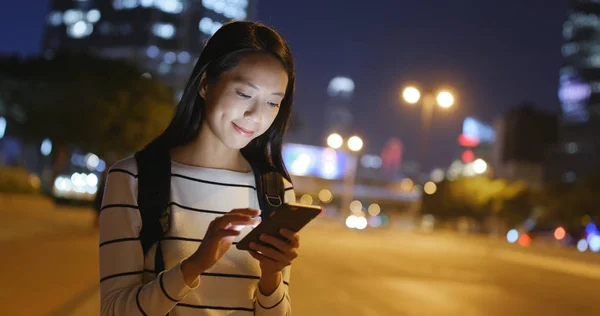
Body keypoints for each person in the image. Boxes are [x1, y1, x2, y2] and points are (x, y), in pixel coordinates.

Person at [99, 21, 299, 316]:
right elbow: (114, 310)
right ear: (205, 84)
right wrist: (194, 265)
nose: (255, 116)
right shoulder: (134, 178)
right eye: (244, 94)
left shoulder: (276, 192)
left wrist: (272, 277)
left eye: (272, 103)